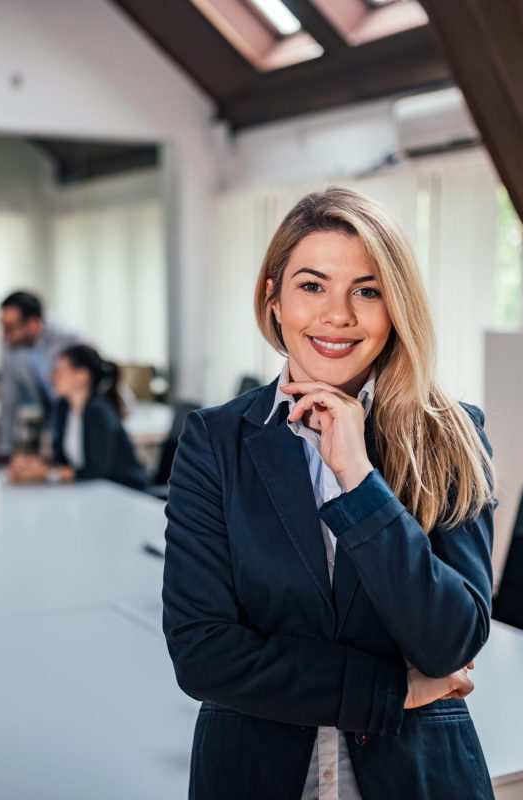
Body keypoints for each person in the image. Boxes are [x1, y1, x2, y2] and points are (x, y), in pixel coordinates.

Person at [163, 187, 497, 800]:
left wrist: (358, 478)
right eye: (312, 286)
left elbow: (450, 639)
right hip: (255, 773)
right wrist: (391, 689)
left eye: (367, 290)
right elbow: (203, 653)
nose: (338, 315)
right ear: (274, 297)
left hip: (418, 776)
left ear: (396, 306)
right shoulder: (216, 440)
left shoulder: (452, 433)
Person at [7, 344, 148, 490]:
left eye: (59, 370)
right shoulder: (64, 408)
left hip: (125, 492)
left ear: (82, 377)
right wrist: (34, 465)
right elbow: (63, 461)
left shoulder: (98, 412)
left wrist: (46, 473)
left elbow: (97, 472)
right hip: (92, 493)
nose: (53, 376)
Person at [0, 291, 79, 460]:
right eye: (2, 327)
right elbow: (8, 402)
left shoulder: (68, 339)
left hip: (79, 419)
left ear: (33, 323)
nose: (4, 335)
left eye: (10, 328)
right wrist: (5, 451)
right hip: (52, 422)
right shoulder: (10, 350)